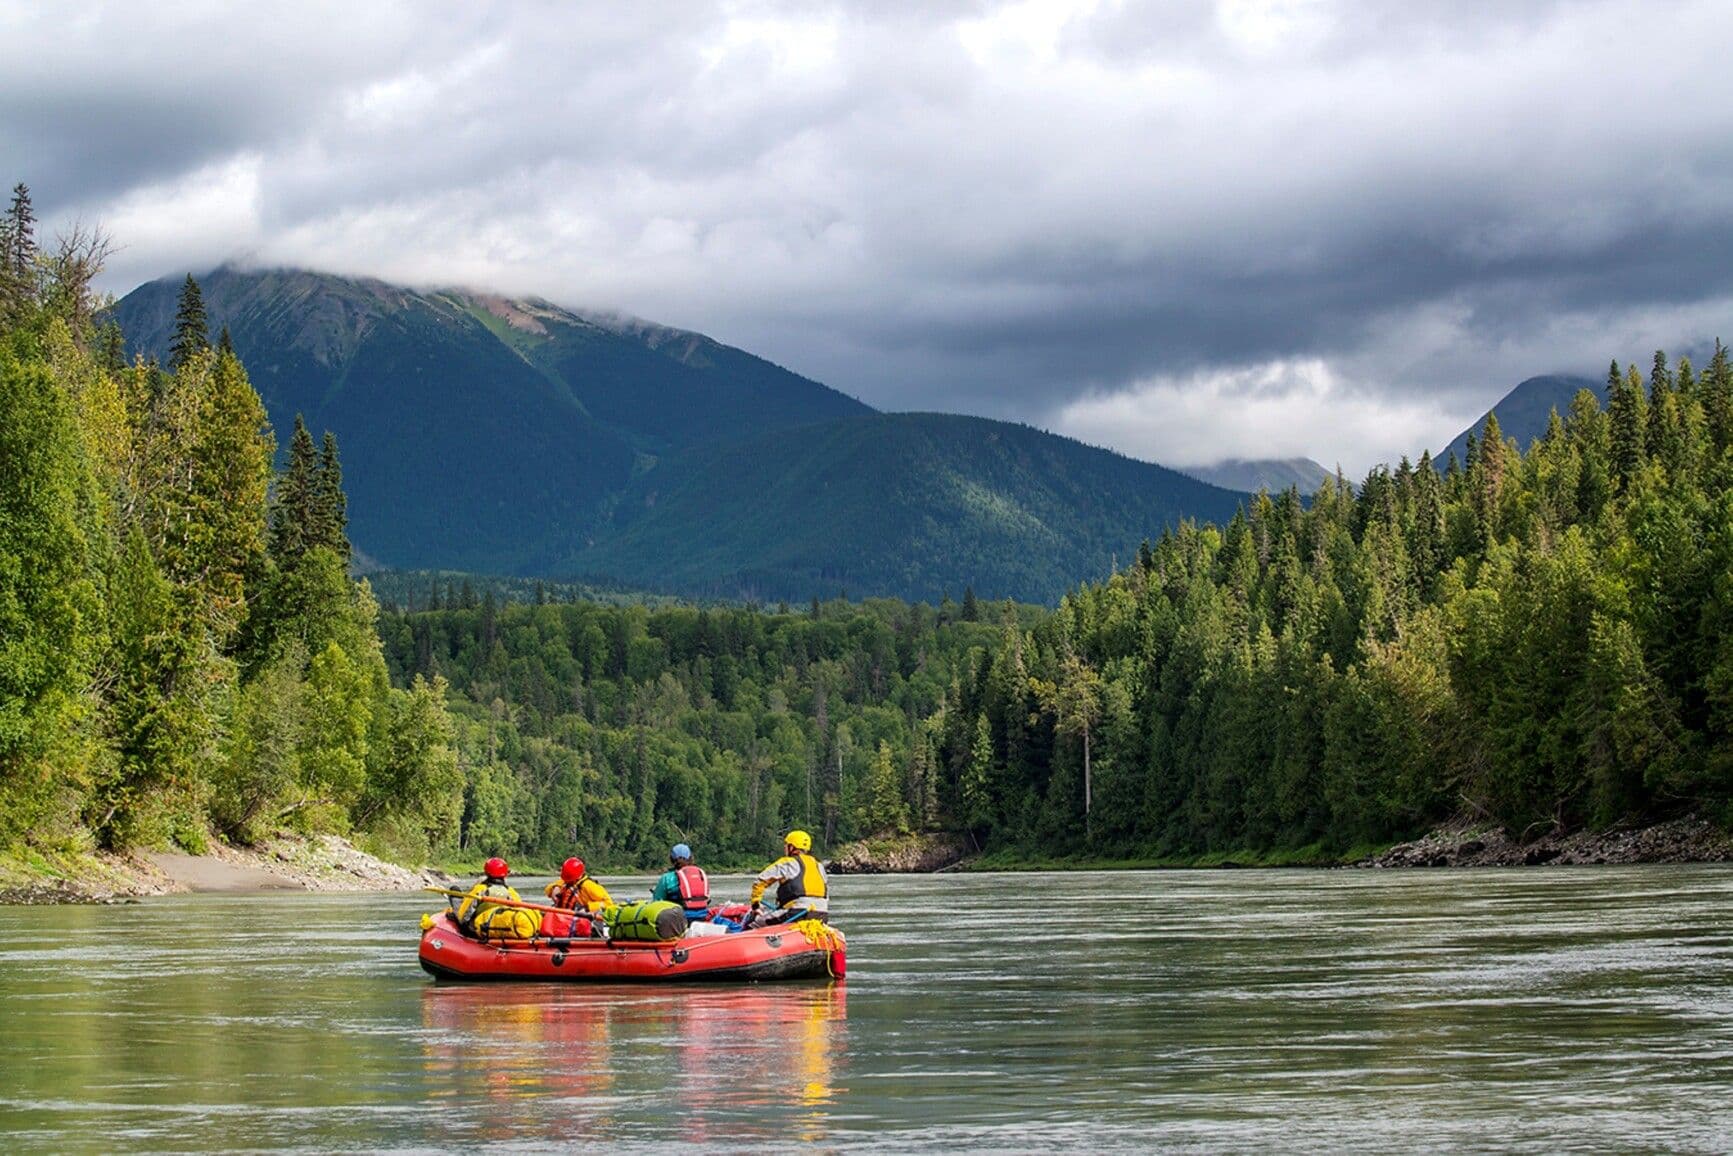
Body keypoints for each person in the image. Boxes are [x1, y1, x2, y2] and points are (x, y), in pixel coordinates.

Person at [747, 830, 828, 926]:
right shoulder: (819, 866)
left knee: (755, 923)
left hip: (796, 913)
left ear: (792, 847)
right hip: (821, 915)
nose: (784, 847)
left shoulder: (787, 863)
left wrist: (755, 905)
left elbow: (760, 882)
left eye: (786, 845)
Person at [455, 857, 535, 939]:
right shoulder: (511, 892)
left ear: (486, 872)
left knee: (455, 893)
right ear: (505, 874)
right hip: (502, 929)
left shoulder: (480, 889)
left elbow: (463, 916)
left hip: (479, 930)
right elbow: (519, 911)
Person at [650, 843, 711, 923]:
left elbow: (657, 903)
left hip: (679, 920)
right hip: (702, 916)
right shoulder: (700, 874)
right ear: (690, 858)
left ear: (671, 859)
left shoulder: (667, 878)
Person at [545, 857, 613, 913]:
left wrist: (588, 908)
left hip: (584, 920)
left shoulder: (589, 885)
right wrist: (555, 887)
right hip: (564, 918)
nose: (566, 881)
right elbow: (547, 891)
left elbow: (608, 903)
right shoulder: (565, 881)